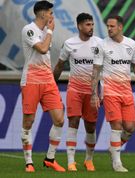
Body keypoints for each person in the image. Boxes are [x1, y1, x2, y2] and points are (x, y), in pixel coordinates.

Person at [90, 15, 135, 172]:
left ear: (120, 27)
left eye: (112, 26)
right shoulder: (102, 45)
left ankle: (114, 148)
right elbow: (96, 70)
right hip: (110, 91)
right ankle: (117, 163)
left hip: (126, 91)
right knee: (117, 125)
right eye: (108, 26)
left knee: (130, 127)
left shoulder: (131, 44)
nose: (109, 29)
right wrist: (94, 93)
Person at [53, 13, 102, 172]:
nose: (91, 28)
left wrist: (104, 89)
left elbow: (106, 68)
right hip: (74, 89)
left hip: (92, 91)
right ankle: (71, 161)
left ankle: (89, 159)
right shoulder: (69, 44)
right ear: (79, 26)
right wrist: (52, 85)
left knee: (91, 126)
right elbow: (60, 65)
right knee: (73, 122)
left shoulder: (99, 44)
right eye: (88, 25)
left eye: (92, 24)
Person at [20, 0, 65, 172]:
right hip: (31, 80)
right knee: (28, 121)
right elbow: (43, 49)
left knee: (60, 119)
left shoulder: (46, 31)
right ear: (42, 13)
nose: (52, 16)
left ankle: (50, 158)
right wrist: (51, 31)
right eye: (51, 13)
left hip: (47, 80)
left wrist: (50, 31)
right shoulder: (29, 29)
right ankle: (29, 162)